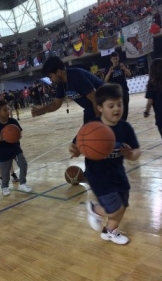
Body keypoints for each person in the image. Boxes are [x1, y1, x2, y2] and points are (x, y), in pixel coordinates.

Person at [69, 83, 141, 244]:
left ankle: (110, 231)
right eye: (111, 105)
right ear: (100, 107)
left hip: (118, 173)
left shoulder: (125, 128)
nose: (116, 109)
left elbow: (137, 152)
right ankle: (95, 209)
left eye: (119, 104)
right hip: (98, 176)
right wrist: (75, 150)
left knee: (123, 204)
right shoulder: (91, 127)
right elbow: (77, 145)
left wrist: (131, 154)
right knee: (116, 208)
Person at [31, 56, 104, 124]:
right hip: (90, 108)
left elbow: (95, 99)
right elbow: (56, 104)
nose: (50, 80)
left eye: (51, 77)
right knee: (82, 137)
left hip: (105, 105)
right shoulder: (61, 83)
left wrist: (98, 121)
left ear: (58, 72)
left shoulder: (77, 76)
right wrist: (40, 110)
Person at [0, 100, 32, 196]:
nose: (8, 111)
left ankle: (23, 183)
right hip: (3, 151)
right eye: (5, 110)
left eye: (8, 109)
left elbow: (19, 134)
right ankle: (4, 187)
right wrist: (0, 138)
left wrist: (17, 136)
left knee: (23, 164)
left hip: (15, 148)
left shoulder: (13, 121)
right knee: (5, 173)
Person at [104, 52, 131, 121]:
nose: (115, 60)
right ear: (111, 60)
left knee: (125, 109)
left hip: (124, 91)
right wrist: (109, 73)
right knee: (117, 110)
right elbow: (105, 81)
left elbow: (129, 74)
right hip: (114, 93)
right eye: (113, 59)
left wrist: (124, 69)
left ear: (118, 58)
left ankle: (123, 122)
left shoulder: (122, 65)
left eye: (116, 58)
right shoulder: (108, 69)